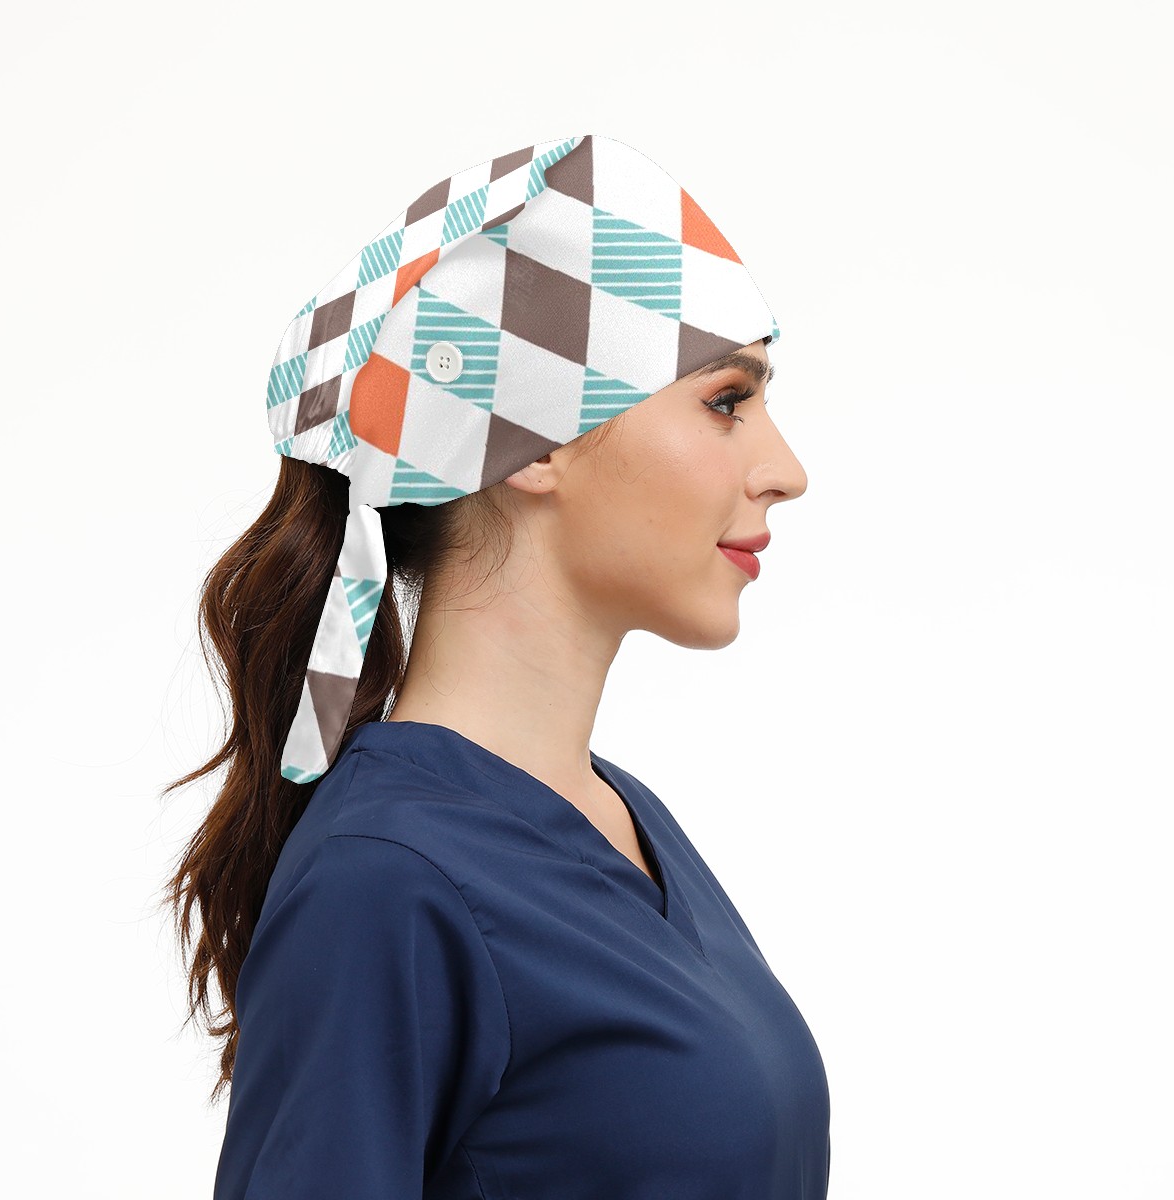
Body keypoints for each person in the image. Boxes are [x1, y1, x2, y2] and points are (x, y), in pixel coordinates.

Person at [163, 133, 830, 1198]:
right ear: (535, 440)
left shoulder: (621, 819)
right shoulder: (386, 880)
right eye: (725, 401)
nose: (784, 469)